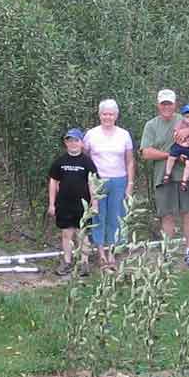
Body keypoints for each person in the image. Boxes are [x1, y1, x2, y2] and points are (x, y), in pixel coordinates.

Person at [140, 89, 189, 269]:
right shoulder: (151, 125)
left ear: (175, 104)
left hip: (188, 176)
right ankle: (167, 253)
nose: (166, 107)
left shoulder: (187, 119)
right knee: (166, 215)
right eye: (163, 103)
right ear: (158, 105)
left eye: (169, 103)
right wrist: (172, 155)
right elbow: (146, 152)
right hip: (164, 177)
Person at [84, 99, 135, 271]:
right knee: (98, 217)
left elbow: (129, 161)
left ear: (116, 116)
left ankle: (112, 253)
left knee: (116, 216)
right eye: (104, 113)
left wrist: (130, 184)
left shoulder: (124, 135)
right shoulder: (91, 134)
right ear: (99, 115)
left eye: (111, 114)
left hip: (119, 180)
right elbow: (85, 159)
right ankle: (101, 254)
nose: (107, 117)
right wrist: (89, 184)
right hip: (97, 181)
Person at [48, 128, 97, 277]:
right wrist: (52, 204)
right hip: (64, 204)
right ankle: (67, 262)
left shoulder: (87, 162)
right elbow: (53, 182)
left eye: (76, 140)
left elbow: (92, 183)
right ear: (65, 143)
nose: (73, 143)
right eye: (69, 140)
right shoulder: (60, 162)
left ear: (82, 143)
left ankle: (84, 263)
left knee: (83, 235)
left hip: (83, 205)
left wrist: (95, 203)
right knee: (66, 234)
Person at [163, 103, 189, 191]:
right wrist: (176, 136)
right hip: (179, 145)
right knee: (171, 157)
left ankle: (184, 181)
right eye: (187, 116)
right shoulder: (181, 123)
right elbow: (176, 132)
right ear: (183, 117)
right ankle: (167, 174)